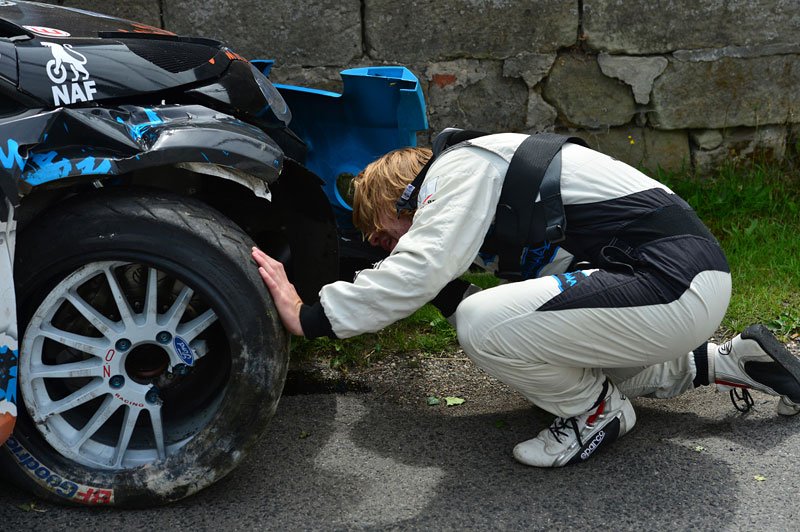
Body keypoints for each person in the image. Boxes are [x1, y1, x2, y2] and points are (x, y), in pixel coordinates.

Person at [252, 131, 800, 468]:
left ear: (405, 196)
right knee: (548, 353)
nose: (381, 248)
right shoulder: (495, 188)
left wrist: (311, 317)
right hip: (678, 287)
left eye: (379, 231)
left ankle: (595, 415)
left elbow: (419, 266)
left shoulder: (458, 168)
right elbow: (557, 308)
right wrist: (437, 289)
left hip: (671, 282)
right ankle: (731, 361)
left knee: (481, 323)